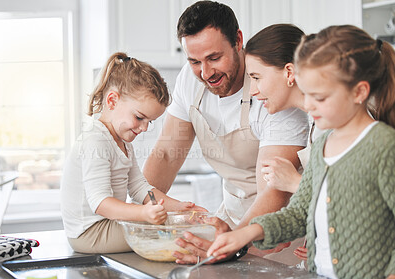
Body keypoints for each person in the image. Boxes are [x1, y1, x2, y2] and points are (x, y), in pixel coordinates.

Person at [207, 24, 395, 279]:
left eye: (319, 97)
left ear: (359, 92)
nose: (307, 105)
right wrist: (245, 234)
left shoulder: (383, 146)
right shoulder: (324, 145)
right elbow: (298, 212)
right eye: (308, 94)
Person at [142, 1, 309, 264]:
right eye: (195, 61)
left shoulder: (275, 96)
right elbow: (165, 154)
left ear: (238, 40)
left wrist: (236, 243)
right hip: (230, 219)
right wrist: (141, 216)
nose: (205, 72)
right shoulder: (190, 78)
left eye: (214, 58)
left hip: (275, 231)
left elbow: (274, 191)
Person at [61, 52, 201, 254]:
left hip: (105, 225)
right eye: (139, 117)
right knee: (169, 231)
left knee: (175, 223)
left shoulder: (123, 144)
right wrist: (144, 213)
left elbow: (140, 188)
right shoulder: (96, 141)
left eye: (149, 122)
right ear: (112, 101)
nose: (144, 128)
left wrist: (178, 208)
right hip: (89, 233)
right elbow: (100, 203)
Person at [245, 23, 326, 263]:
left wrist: (293, 181)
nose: (252, 90)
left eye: (257, 77)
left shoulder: (332, 125)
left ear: (289, 73)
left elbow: (355, 202)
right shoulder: (315, 123)